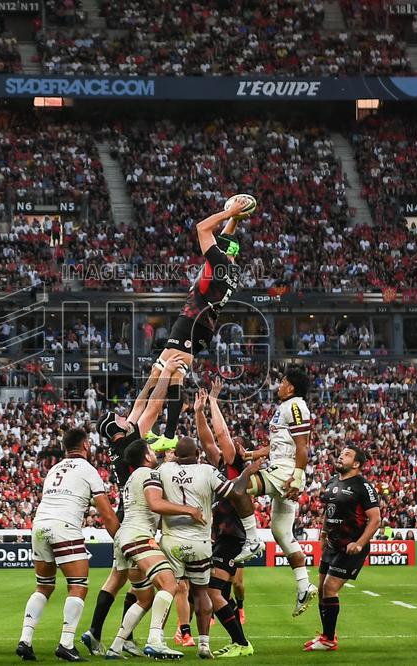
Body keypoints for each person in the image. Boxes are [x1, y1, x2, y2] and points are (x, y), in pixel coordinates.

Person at [82, 359, 180, 657]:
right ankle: (127, 637)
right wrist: (164, 375)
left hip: (127, 513)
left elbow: (141, 403)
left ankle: (97, 632)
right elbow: (153, 406)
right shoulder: (134, 443)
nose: (126, 416)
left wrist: (153, 377)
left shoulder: (121, 443)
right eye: (120, 417)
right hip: (139, 516)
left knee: (118, 578)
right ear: (118, 428)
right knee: (145, 588)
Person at [149, 196, 251, 451]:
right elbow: (225, 240)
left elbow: (202, 228)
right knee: (162, 370)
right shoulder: (231, 268)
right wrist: (235, 219)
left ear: (222, 252)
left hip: (191, 322)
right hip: (203, 327)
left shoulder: (218, 263)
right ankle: (159, 430)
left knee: (169, 372)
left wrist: (228, 213)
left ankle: (166, 432)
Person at [16, 428, 121, 662]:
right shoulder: (88, 470)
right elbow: (107, 514)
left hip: (39, 525)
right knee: (78, 586)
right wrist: (122, 541)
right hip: (64, 527)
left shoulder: (54, 469)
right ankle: (66, 644)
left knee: (43, 586)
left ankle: (25, 641)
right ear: (85, 446)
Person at [159, 435, 261, 659]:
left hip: (173, 540)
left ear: (175, 454)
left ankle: (156, 639)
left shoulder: (164, 470)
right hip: (202, 542)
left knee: (170, 589)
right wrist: (247, 473)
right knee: (205, 592)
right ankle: (206, 644)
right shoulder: (207, 470)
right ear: (197, 455)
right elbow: (235, 493)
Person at [104, 440, 205, 659]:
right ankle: (155, 640)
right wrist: (190, 510)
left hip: (125, 537)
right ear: (147, 457)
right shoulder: (150, 475)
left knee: (145, 598)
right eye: (151, 451)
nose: (155, 453)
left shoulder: (133, 476)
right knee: (170, 584)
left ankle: (116, 645)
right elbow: (155, 504)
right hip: (139, 536)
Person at [193, 384, 261, 657]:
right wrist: (199, 412)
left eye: (237, 444)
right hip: (223, 536)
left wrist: (213, 401)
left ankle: (242, 644)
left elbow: (220, 434)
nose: (231, 444)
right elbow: (208, 440)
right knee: (217, 591)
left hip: (233, 537)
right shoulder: (222, 464)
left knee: (213, 591)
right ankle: (240, 642)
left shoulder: (237, 464)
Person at [247, 366, 318, 616]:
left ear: (291, 387)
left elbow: (302, 445)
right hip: (281, 464)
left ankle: (252, 539)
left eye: (283, 381)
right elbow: (279, 444)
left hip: (286, 470)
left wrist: (297, 477)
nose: (279, 385)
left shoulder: (296, 406)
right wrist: (255, 453)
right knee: (281, 532)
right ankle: (304, 585)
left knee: (239, 488)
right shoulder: (286, 408)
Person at [304, 446, 381, 652]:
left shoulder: (363, 487)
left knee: (330, 587)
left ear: (356, 464)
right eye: (341, 453)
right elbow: (329, 513)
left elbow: (375, 519)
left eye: (347, 455)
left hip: (350, 546)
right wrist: (322, 534)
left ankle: (329, 639)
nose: (341, 456)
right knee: (321, 590)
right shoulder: (332, 482)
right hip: (332, 544)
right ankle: (326, 635)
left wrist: (360, 543)